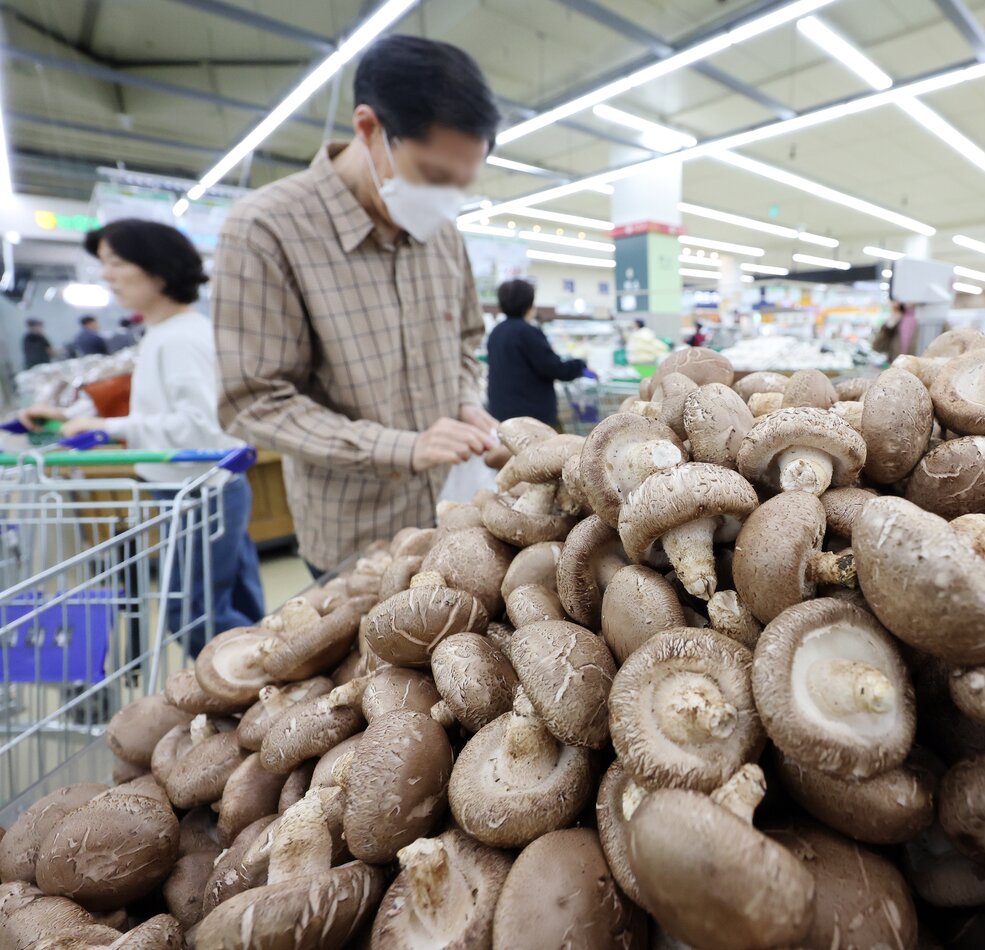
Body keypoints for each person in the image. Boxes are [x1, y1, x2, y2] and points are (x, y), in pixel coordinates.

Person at [215, 35, 502, 577]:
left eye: (462, 184)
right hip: (356, 542)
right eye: (435, 176)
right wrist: (400, 446)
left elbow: (465, 341)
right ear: (369, 129)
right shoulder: (265, 231)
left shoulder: (442, 233)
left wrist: (464, 399)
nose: (446, 199)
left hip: (456, 522)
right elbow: (253, 402)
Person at [21, 219, 263, 654]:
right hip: (198, 489)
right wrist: (69, 416)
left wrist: (110, 427)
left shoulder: (180, 339)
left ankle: (249, 688)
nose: (106, 274)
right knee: (234, 607)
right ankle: (268, 690)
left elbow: (203, 426)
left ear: (158, 269)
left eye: (116, 262)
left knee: (192, 616)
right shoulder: (164, 333)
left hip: (200, 492)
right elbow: (158, 407)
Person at [486, 279, 591, 425]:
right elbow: (553, 368)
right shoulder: (527, 332)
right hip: (530, 416)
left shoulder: (496, 332)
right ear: (528, 304)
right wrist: (580, 364)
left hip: (502, 413)